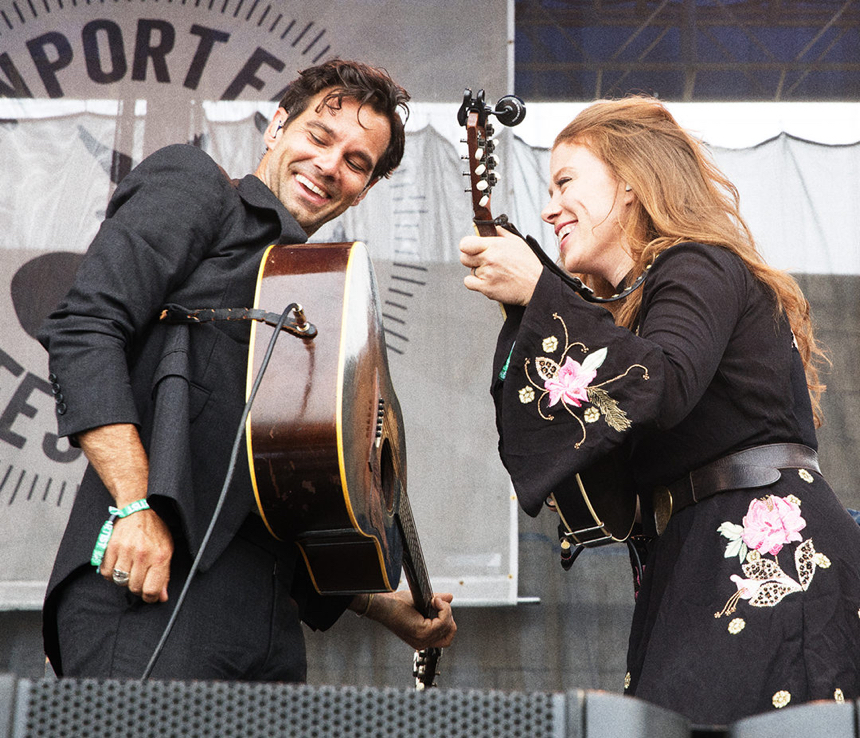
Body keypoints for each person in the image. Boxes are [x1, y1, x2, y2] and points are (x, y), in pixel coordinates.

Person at [38, 59, 455, 681]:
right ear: (277, 127)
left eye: (356, 161)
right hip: (150, 586)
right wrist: (132, 508)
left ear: (363, 190)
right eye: (319, 136)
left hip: (266, 630)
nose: (330, 165)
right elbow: (85, 326)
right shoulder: (196, 185)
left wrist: (381, 604)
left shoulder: (317, 297)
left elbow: (280, 504)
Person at [459, 96, 860, 725]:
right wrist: (534, 311)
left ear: (629, 184)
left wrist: (543, 293)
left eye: (566, 181)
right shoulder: (637, 309)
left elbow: (664, 382)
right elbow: (603, 492)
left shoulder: (697, 264)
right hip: (691, 555)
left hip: (764, 555)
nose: (549, 207)